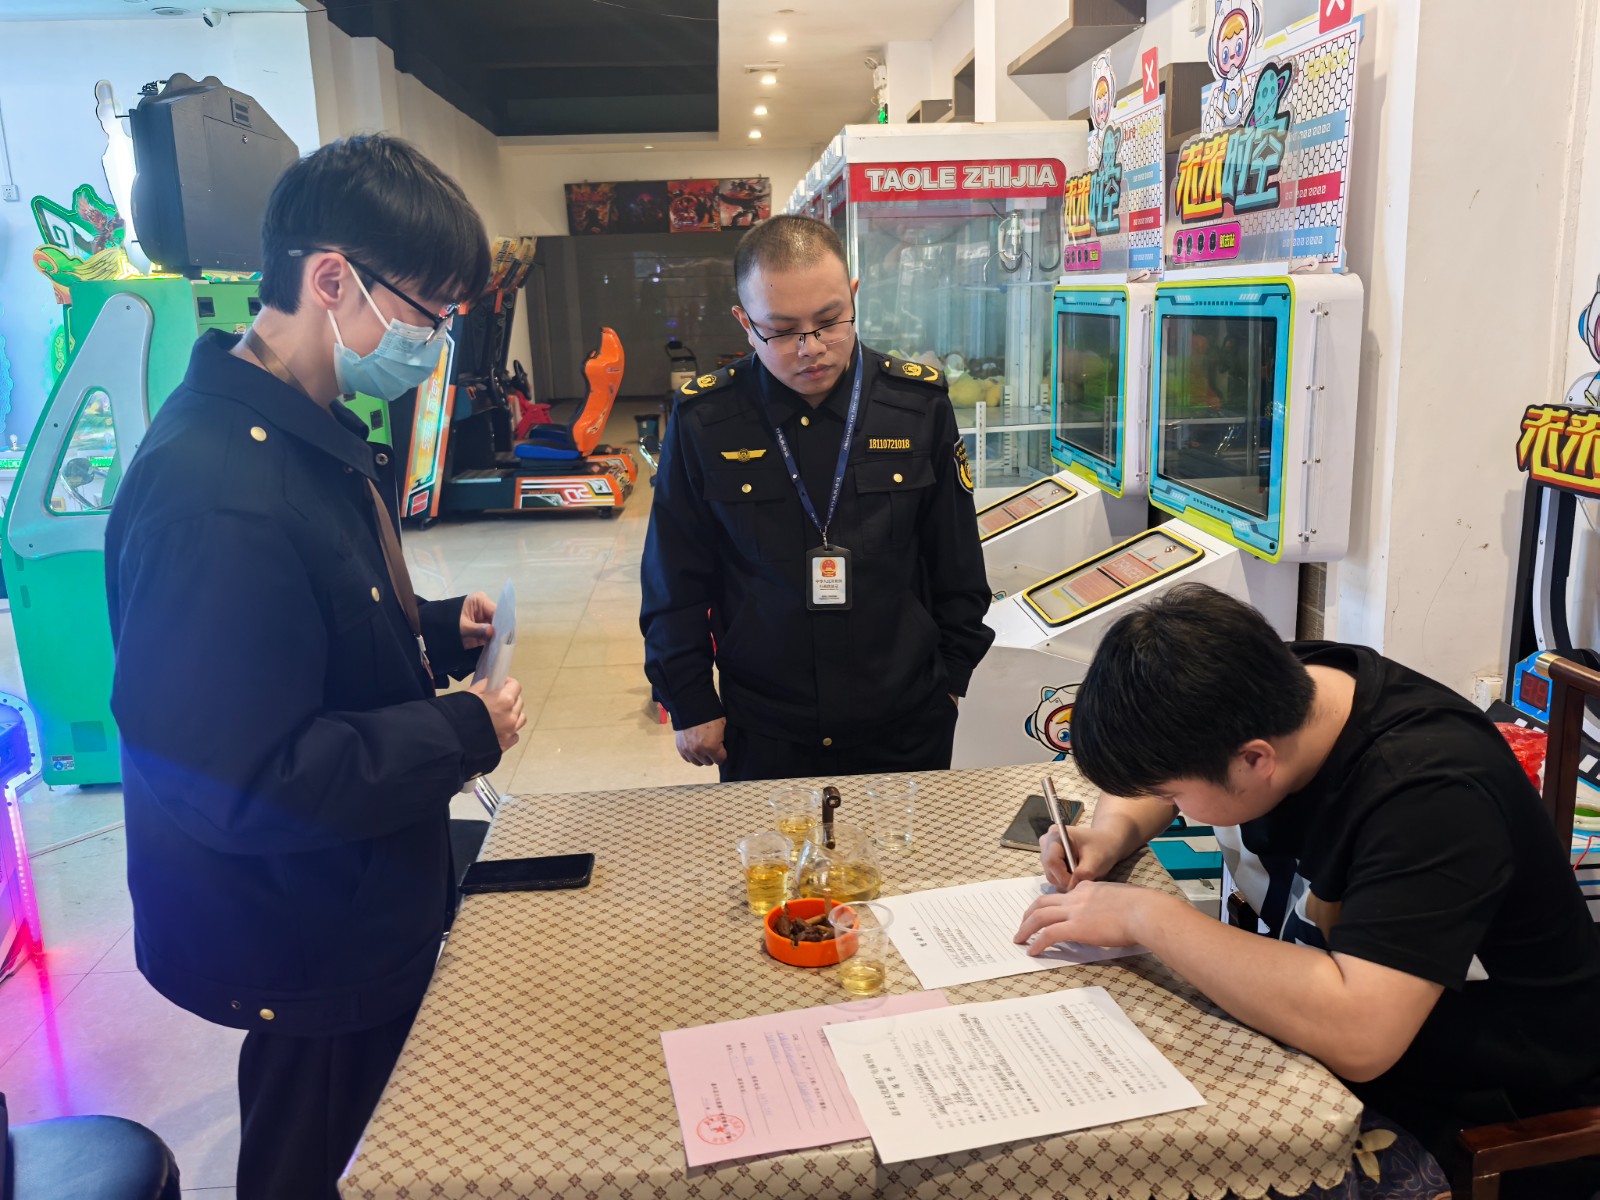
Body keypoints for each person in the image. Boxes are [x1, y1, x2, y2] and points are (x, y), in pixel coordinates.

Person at [105, 134, 527, 1200]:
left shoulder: (303, 428)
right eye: (428, 314)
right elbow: (243, 777)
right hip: (302, 923)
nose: (435, 343)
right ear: (331, 279)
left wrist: (435, 631)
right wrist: (461, 732)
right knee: (318, 1150)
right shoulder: (216, 489)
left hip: (351, 879)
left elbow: (305, 629)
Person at [1012, 583, 1600, 1195]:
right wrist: (1113, 833)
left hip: (1487, 1114)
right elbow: (1169, 762)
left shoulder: (1430, 796)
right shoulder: (1272, 687)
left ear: (1255, 761)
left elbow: (1362, 1035)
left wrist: (1147, 917)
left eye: (1171, 797)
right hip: (1329, 1051)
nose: (1166, 806)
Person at [641, 214, 994, 782]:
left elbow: (956, 560)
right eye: (782, 331)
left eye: (830, 322)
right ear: (745, 322)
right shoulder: (707, 418)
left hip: (904, 716)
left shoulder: (915, 404)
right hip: (764, 724)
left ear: (853, 296)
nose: (812, 349)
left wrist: (952, 678)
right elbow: (672, 577)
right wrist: (689, 697)